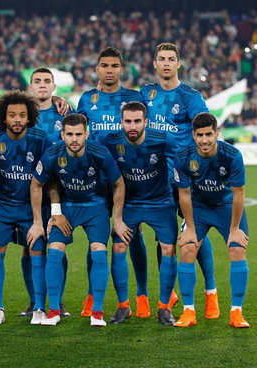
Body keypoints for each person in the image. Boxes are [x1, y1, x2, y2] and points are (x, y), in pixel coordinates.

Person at [140, 42, 219, 319]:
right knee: (164, 236)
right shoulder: (146, 93)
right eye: (161, 59)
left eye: (171, 59)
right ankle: (169, 292)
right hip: (154, 177)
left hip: (185, 178)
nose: (165, 63)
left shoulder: (190, 97)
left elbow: (206, 133)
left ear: (178, 64)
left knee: (192, 232)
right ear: (154, 63)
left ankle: (211, 294)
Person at [29, 113, 130, 327]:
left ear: (87, 134)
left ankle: (97, 312)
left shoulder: (99, 153)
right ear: (62, 135)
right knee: (55, 250)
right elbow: (36, 184)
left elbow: (119, 184)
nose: (74, 139)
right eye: (69, 135)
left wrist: (118, 219)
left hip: (94, 207)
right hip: (66, 208)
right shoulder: (52, 154)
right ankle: (54, 310)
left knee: (99, 253)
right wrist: (40, 222)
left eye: (78, 134)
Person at [76, 46, 144, 318]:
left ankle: (142, 296)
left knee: (132, 236)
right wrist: (58, 100)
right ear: (97, 69)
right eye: (104, 65)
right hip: (96, 180)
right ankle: (93, 295)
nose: (109, 70)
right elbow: (75, 127)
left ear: (121, 69)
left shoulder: (133, 97)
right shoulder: (87, 98)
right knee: (98, 240)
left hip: (128, 178)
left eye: (114, 66)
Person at [101, 101, 178, 325]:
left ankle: (164, 308)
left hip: (160, 203)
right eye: (127, 121)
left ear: (146, 122)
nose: (132, 126)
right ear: (121, 122)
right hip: (130, 204)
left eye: (137, 121)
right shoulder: (111, 142)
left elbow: (181, 166)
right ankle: (123, 306)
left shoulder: (163, 140)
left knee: (168, 248)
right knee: (118, 246)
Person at [173, 112, 250, 328]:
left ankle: (236, 312)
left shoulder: (232, 155)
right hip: (199, 207)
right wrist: (189, 227)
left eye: (209, 134)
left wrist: (234, 228)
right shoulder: (183, 156)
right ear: (193, 135)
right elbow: (184, 194)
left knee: (237, 248)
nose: (204, 140)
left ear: (217, 133)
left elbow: (238, 194)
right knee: (187, 248)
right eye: (200, 135)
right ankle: (189, 312)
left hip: (226, 206)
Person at [0, 91, 52, 325]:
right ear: (4, 117)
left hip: (31, 208)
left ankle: (40, 308)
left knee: (37, 252)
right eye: (12, 115)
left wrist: (52, 213)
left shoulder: (41, 139)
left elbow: (50, 178)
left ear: (29, 117)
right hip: (1, 206)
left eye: (22, 115)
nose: (17, 120)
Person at [19, 67, 75, 318]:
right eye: (37, 81)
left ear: (54, 87)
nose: (42, 85)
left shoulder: (65, 112)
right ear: (30, 88)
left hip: (59, 190)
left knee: (56, 243)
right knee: (28, 246)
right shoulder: (21, 114)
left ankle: (58, 301)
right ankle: (34, 301)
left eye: (47, 82)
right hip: (26, 190)